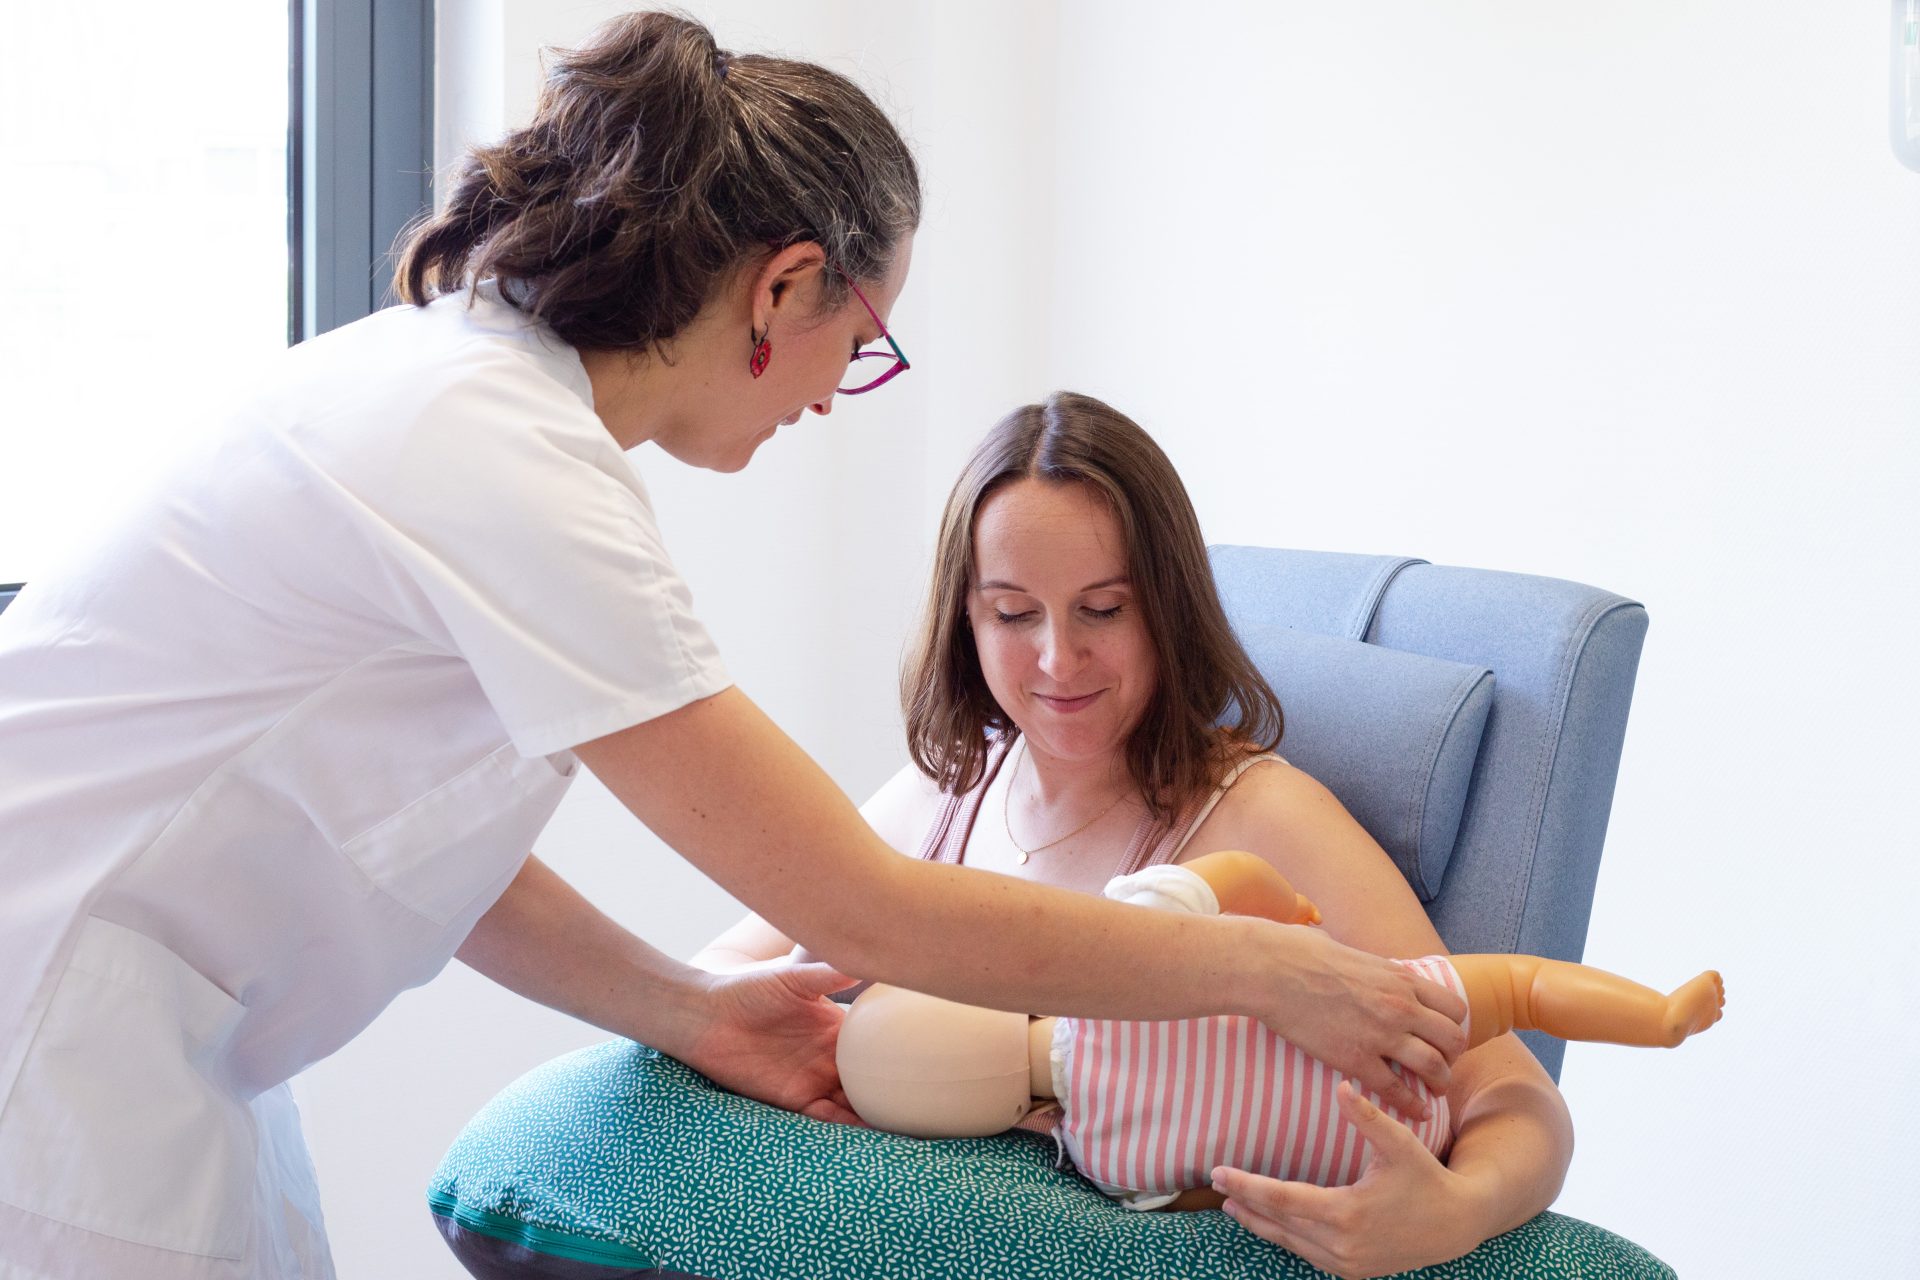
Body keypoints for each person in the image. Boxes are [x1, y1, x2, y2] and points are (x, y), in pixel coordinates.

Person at [0, 15, 1463, 1280]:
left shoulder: (454, 397)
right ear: (782, 291)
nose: (838, 396)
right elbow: (866, 907)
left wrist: (691, 1011)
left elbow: (402, 844)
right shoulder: (502, 461)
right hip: (61, 1032)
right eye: (862, 341)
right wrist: (1268, 978)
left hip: (148, 1035)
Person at [692, 391, 1599, 1276]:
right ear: (966, 620)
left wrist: (1457, 1213)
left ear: (1166, 609)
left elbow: (1513, 1094)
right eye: (1013, 614)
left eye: (1104, 609)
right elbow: (719, 980)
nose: (1058, 659)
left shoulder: (1257, 817)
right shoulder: (950, 788)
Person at [833, 850, 1724, 1212]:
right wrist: (1291, 917)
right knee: (1521, 987)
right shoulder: (1116, 943)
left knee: (1511, 997)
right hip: (1399, 1042)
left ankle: (1655, 1017)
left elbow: (1215, 1197)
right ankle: (1656, 1017)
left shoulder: (1105, 1163)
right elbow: (1237, 878)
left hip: (1376, 1158)